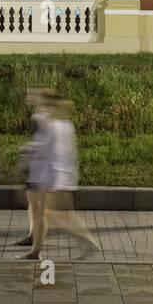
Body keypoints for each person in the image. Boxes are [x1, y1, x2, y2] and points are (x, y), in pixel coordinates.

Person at [25, 98, 98, 260]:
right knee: (51, 213)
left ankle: (88, 241)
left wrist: (29, 151)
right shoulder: (66, 126)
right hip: (62, 176)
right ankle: (35, 252)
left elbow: (49, 151)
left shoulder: (55, 126)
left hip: (55, 177)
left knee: (53, 214)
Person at [15, 86, 55, 249]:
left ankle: (37, 240)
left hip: (44, 168)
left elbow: (48, 141)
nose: (29, 97)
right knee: (31, 200)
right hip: (36, 167)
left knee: (40, 206)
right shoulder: (37, 116)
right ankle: (32, 235)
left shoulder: (47, 117)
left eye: (33, 95)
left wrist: (30, 148)